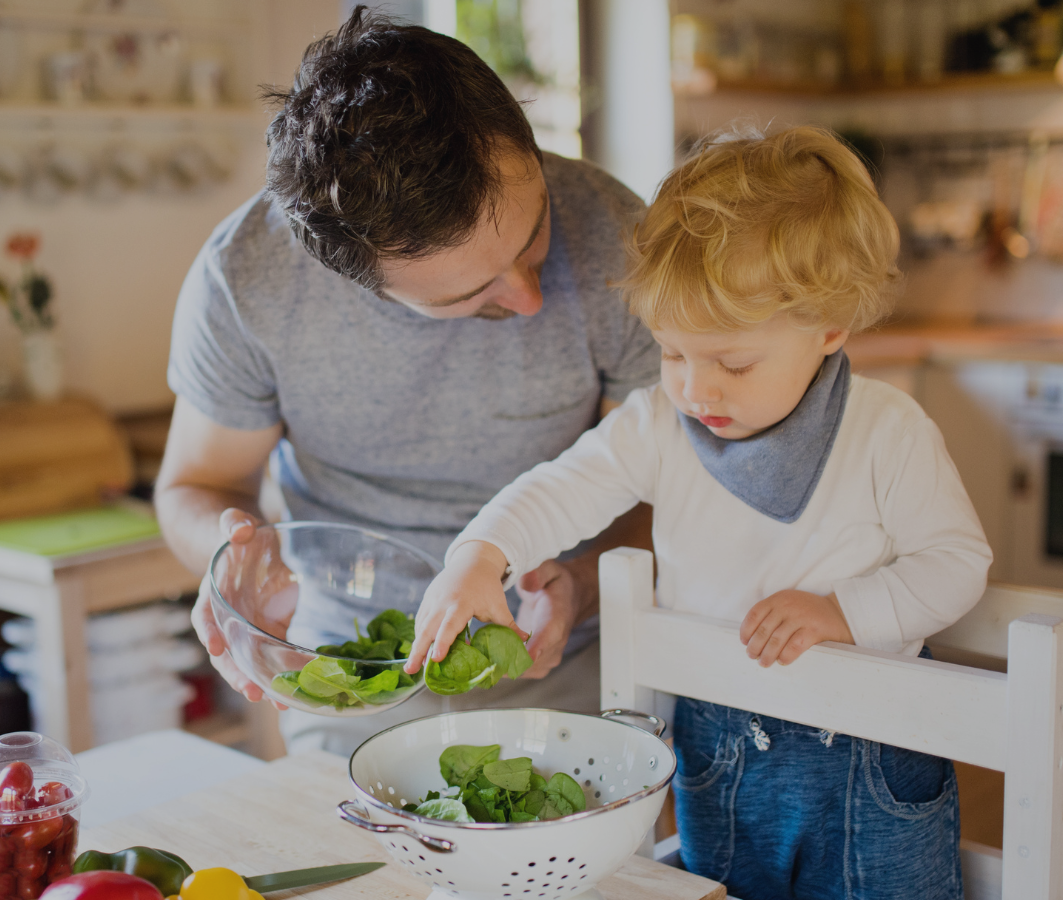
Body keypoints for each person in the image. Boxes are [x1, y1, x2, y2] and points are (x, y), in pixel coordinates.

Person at [404, 126, 993, 900]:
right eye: (673, 354)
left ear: (830, 328)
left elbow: (957, 564)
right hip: (716, 751)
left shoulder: (888, 431)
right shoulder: (658, 425)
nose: (696, 390)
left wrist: (843, 612)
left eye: (733, 362)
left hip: (869, 755)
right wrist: (481, 555)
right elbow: (562, 485)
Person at [154, 8, 659, 756]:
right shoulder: (247, 278)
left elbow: (668, 479)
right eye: (469, 296)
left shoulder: (621, 236)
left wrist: (583, 583)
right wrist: (232, 557)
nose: (529, 299)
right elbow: (196, 484)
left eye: (534, 236)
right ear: (355, 279)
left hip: (574, 664)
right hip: (351, 674)